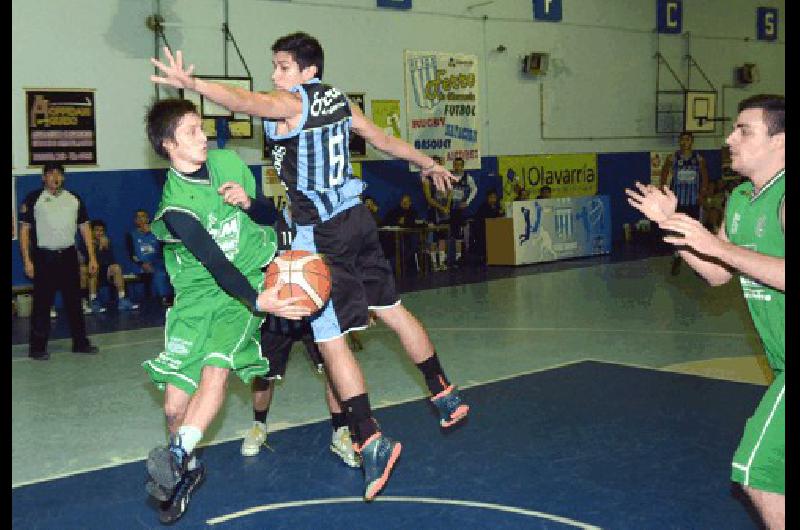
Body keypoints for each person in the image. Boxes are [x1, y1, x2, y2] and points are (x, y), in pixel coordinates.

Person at [151, 34, 470, 502]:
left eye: (283, 67)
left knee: (330, 340)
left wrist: (191, 82)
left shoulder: (291, 104)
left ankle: (369, 438)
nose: (276, 75)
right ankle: (443, 390)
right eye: (276, 67)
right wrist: (429, 164)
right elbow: (382, 140)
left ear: (306, 73)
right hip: (360, 219)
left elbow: (244, 100)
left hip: (323, 234)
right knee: (394, 309)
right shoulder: (339, 101)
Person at [140, 98, 310, 524]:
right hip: (199, 297)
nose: (203, 138)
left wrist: (249, 204)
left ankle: (177, 456)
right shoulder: (176, 207)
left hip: (244, 284)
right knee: (174, 408)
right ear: (169, 146)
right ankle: (188, 469)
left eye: (201, 128)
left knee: (216, 370)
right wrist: (260, 302)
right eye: (192, 133)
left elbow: (273, 216)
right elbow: (213, 262)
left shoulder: (227, 163)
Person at [626, 94, 784, 530]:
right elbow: (717, 274)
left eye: (744, 131)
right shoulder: (739, 200)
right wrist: (670, 225)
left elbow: (723, 253)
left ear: (781, 142)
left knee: (758, 473)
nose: (729, 138)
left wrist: (720, 246)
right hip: (780, 362)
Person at [241, 207, 360, 468]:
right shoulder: (267, 224)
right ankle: (258, 425)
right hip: (277, 312)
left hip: (317, 312)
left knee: (334, 370)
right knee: (263, 374)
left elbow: (341, 266)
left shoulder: (325, 226)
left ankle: (340, 431)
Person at [18, 162, 99, 360]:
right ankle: (37, 348)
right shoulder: (34, 198)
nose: (55, 178)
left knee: (74, 302)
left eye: (59, 174)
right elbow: (25, 231)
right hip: (44, 257)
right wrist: (28, 261)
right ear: (43, 177)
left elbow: (85, 229)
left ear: (63, 177)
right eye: (51, 174)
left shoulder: (74, 199)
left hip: (69, 256)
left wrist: (92, 257)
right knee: (42, 305)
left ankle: (80, 343)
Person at [660, 131, 710, 275]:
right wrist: (664, 190)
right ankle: (677, 256)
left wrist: (703, 193)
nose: (684, 142)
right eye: (682, 139)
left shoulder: (698, 159)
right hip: (677, 201)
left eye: (687, 139)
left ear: (692, 141)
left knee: (694, 229)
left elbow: (705, 176)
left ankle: (697, 261)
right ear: (679, 142)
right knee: (676, 229)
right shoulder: (673, 157)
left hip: (693, 200)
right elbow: (664, 173)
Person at [80, 219, 140, 313]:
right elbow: (86, 262)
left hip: (104, 272)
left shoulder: (106, 241)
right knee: (93, 269)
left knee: (116, 268)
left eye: (101, 231)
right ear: (91, 232)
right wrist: (97, 248)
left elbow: (109, 261)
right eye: (96, 230)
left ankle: (122, 299)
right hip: (91, 274)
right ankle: (93, 301)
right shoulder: (85, 244)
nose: (99, 233)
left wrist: (104, 247)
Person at [126, 209, 174, 307]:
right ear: (135, 220)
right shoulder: (131, 235)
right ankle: (164, 297)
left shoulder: (157, 233)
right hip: (139, 264)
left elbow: (164, 249)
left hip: (157, 263)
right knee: (154, 270)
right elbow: (132, 255)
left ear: (148, 219)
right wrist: (141, 264)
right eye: (138, 217)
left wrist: (154, 231)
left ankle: (167, 297)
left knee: (161, 271)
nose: (141, 219)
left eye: (143, 216)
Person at [421, 155, 451, 271]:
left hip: (444, 212)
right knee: (433, 238)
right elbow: (429, 198)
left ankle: (442, 262)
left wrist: (447, 206)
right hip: (433, 212)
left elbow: (450, 193)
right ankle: (434, 263)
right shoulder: (426, 180)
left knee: (442, 238)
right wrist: (441, 207)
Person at [382, 194, 421, 275]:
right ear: (400, 203)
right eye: (403, 202)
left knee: (414, 244)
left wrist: (405, 222)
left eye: (407, 203)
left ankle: (405, 266)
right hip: (395, 237)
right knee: (400, 246)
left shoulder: (413, 212)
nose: (405, 204)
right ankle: (398, 267)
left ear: (410, 203)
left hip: (409, 236)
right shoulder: (394, 211)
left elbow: (416, 223)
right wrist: (399, 222)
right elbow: (386, 222)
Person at [448, 157, 477, 266]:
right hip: (450, 208)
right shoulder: (449, 176)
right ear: (453, 165)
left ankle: (459, 257)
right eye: (455, 164)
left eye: (459, 165)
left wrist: (467, 202)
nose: (457, 167)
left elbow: (475, 189)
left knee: (461, 234)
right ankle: (449, 258)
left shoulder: (468, 178)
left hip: (461, 209)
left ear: (463, 166)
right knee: (451, 234)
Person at [472, 189, 505, 261]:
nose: (493, 199)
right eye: (491, 197)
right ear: (487, 198)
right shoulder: (483, 207)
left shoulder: (497, 207)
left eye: (494, 197)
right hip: (482, 230)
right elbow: (487, 219)